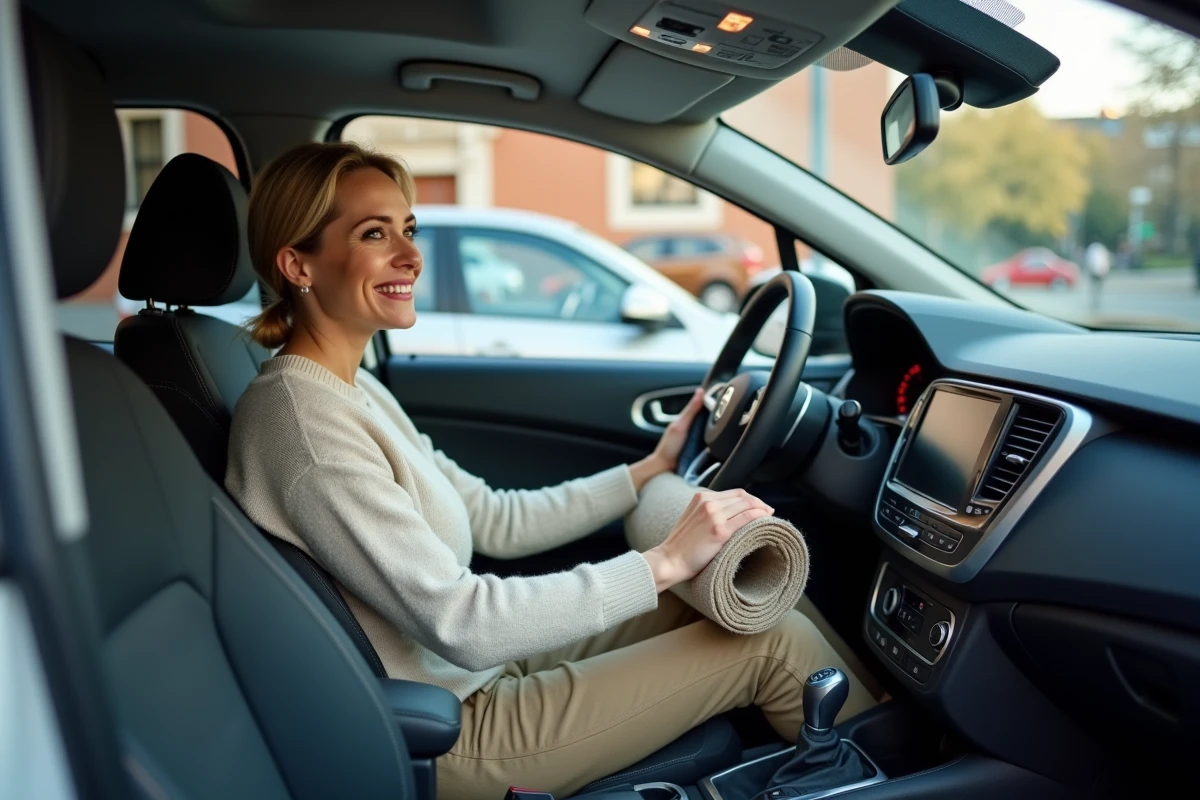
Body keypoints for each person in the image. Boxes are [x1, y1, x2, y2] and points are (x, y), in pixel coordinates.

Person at [225, 142, 874, 799]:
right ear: (298, 264)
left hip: (463, 676)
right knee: (773, 646)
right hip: (455, 730)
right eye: (374, 233)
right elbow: (464, 622)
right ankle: (910, 775)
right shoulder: (303, 425)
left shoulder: (350, 390)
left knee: (749, 607)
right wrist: (666, 560)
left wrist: (647, 473)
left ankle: (894, 753)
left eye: (409, 229)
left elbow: (492, 519)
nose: (411, 255)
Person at [1084, 240, 1111, 312]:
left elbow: (1088, 261)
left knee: (1096, 288)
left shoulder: (1092, 250)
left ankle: (1095, 301)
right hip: (1098, 273)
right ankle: (1096, 301)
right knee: (1097, 288)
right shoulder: (1100, 251)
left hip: (1095, 272)